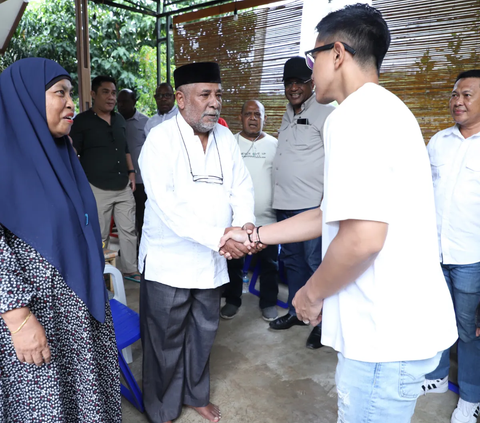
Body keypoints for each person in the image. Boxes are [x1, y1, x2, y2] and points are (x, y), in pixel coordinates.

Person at [220, 4, 458, 422]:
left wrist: (310, 295)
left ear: (338, 53)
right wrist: (255, 236)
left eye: (314, 58)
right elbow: (330, 213)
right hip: (397, 330)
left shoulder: (353, 117)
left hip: (384, 336)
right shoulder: (385, 109)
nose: (311, 72)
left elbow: (363, 238)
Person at [0, 58, 121, 421]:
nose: (72, 103)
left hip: (76, 317)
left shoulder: (62, 155)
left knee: (83, 400)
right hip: (37, 322)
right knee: (49, 403)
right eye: (59, 93)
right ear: (26, 100)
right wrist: (19, 319)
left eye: (71, 93)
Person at [138, 62, 255, 423]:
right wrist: (224, 241)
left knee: (203, 334)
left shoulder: (224, 138)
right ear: (181, 98)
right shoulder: (159, 139)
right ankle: (162, 408)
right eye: (205, 95)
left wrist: (245, 225)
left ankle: (196, 394)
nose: (214, 103)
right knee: (165, 342)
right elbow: (166, 206)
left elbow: (242, 186)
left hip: (211, 262)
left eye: (217, 94)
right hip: (168, 262)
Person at [422, 70, 480, 423]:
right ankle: (437, 377)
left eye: (467, 95)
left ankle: (471, 397)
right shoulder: (438, 141)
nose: (457, 101)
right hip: (434, 252)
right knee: (436, 318)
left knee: (469, 330)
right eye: (455, 94)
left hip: (472, 258)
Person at [269, 56, 334, 350]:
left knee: (315, 264)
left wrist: (326, 201)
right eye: (289, 82)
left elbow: (336, 160)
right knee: (292, 261)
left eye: (299, 82)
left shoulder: (326, 112)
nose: (294, 87)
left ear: (311, 83)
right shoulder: (286, 113)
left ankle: (324, 324)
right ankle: (296, 312)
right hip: (285, 203)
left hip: (311, 207)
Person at [71, 76, 140, 282]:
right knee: (99, 233)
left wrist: (131, 172)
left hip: (122, 185)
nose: (111, 97)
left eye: (113, 93)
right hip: (96, 186)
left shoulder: (119, 119)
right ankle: (98, 271)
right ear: (93, 94)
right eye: (105, 92)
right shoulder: (81, 121)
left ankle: (130, 270)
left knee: (128, 231)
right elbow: (73, 152)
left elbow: (125, 148)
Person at [220, 100, 280, 321]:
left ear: (264, 118)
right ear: (241, 116)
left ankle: (268, 303)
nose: (253, 118)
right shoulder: (230, 143)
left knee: (270, 264)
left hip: (268, 219)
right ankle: (233, 300)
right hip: (237, 220)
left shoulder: (275, 144)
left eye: (258, 114)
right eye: (249, 114)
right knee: (233, 262)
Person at [117, 88, 149, 243]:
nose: (121, 105)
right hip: (120, 179)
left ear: (134, 102)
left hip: (140, 180)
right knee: (126, 218)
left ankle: (141, 248)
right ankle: (128, 249)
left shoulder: (145, 122)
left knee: (142, 217)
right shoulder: (114, 121)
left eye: (125, 102)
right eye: (119, 102)